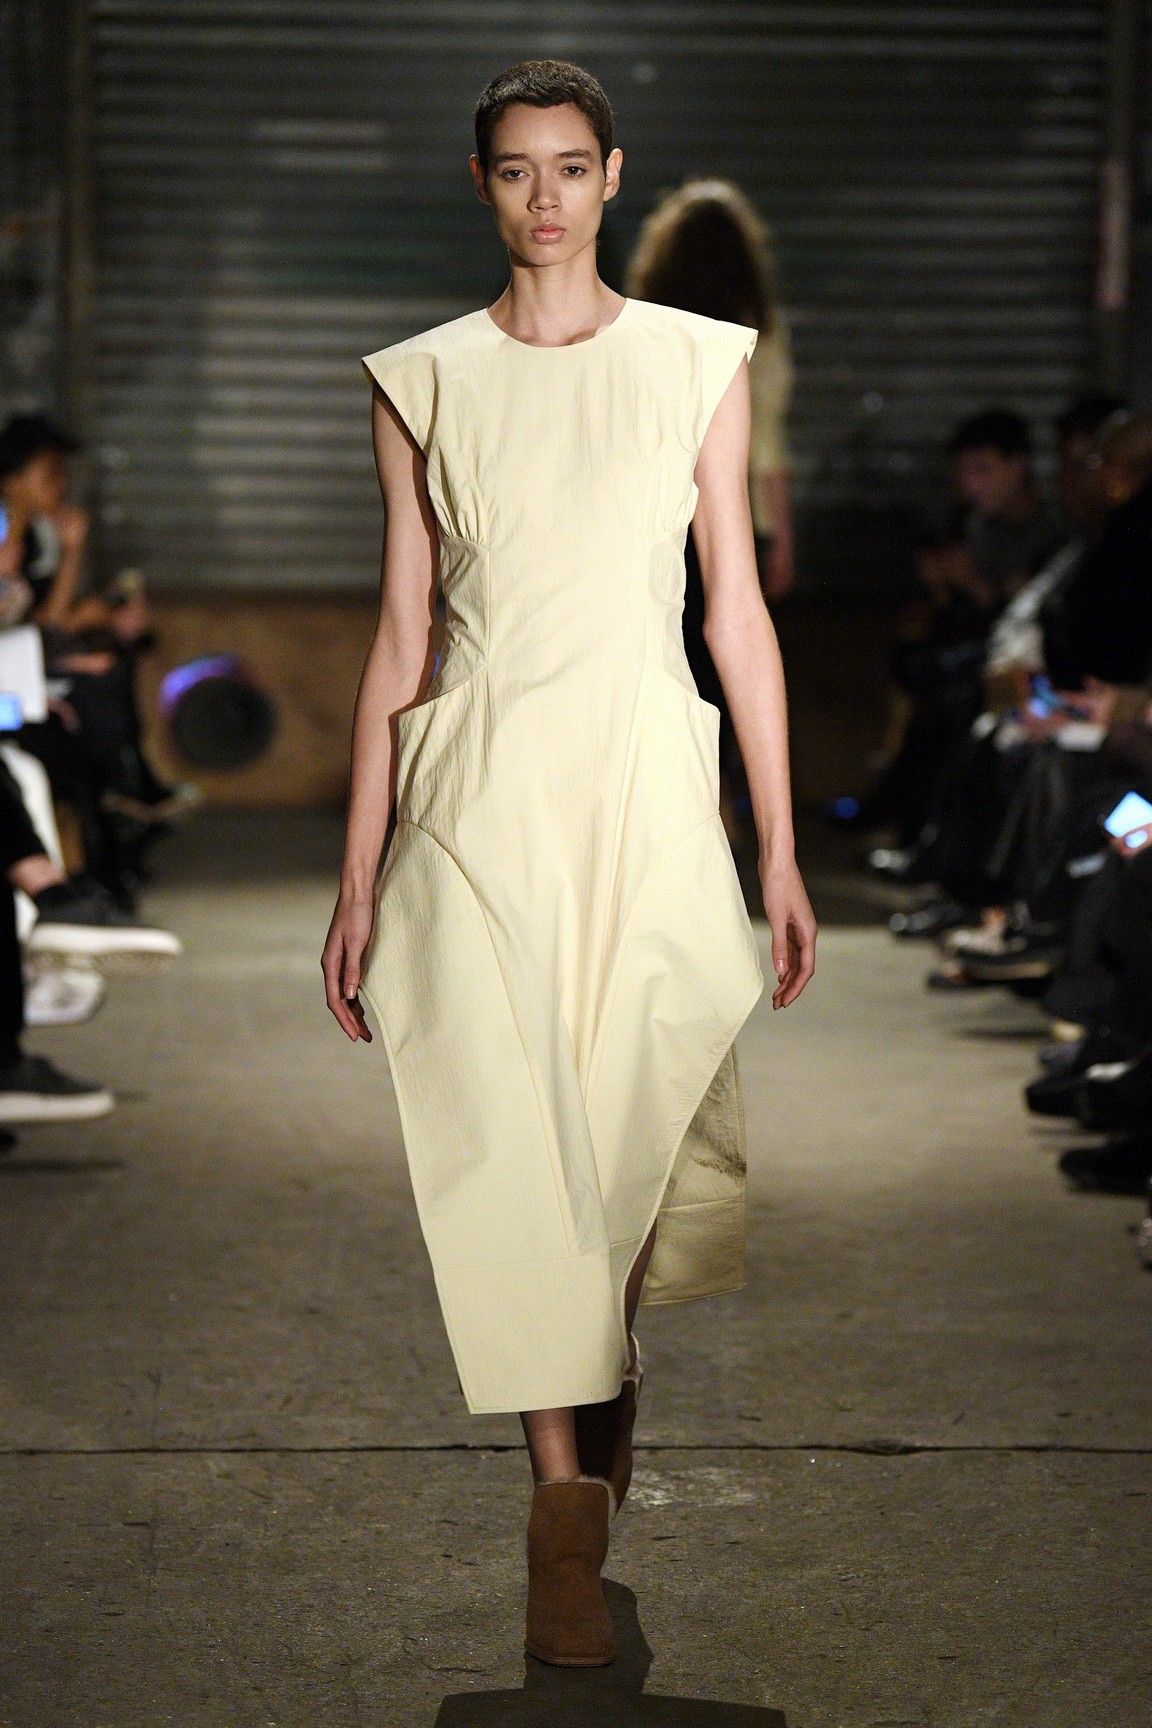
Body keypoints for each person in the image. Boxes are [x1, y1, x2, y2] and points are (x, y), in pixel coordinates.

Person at [322, 60, 816, 1668]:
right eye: (516, 169)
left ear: (613, 176)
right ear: (483, 184)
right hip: (477, 801)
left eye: (570, 166)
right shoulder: (424, 380)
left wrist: (780, 849)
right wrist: (357, 875)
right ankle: (559, 1505)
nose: (546, 196)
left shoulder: (696, 362)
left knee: (628, 1146)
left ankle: (594, 1431)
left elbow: (735, 611)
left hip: (646, 789)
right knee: (511, 1148)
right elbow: (402, 633)